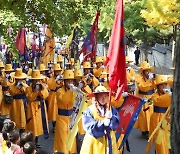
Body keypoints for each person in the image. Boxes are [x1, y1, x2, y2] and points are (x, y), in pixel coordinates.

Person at [80, 85, 120, 154]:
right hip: (94, 142)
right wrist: (103, 123)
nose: (103, 99)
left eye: (105, 96)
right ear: (96, 97)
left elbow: (116, 123)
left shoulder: (111, 109)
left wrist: (112, 119)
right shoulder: (89, 110)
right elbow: (89, 127)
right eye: (101, 96)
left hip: (108, 141)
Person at [146, 75, 171, 154]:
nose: (164, 87)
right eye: (161, 85)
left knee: (168, 142)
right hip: (157, 121)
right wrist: (168, 95)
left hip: (167, 120)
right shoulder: (154, 95)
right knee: (159, 142)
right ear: (157, 86)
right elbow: (151, 102)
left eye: (165, 84)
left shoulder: (169, 95)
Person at [53, 70, 77, 153]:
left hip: (71, 118)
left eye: (71, 80)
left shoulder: (74, 91)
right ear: (64, 81)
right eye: (68, 80)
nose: (70, 82)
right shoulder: (59, 91)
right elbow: (64, 100)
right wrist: (71, 91)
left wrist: (82, 88)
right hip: (62, 119)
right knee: (63, 141)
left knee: (71, 141)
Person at [25, 70, 49, 148]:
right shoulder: (28, 88)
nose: (37, 82)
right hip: (32, 107)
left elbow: (45, 96)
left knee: (39, 125)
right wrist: (35, 91)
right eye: (35, 80)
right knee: (33, 126)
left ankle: (36, 142)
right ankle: (31, 143)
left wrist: (41, 90)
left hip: (40, 106)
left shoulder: (43, 87)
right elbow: (30, 98)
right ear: (32, 80)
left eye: (38, 80)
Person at [135, 61, 156, 137]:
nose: (148, 72)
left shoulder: (151, 78)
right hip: (142, 98)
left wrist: (154, 79)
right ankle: (144, 130)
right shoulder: (138, 78)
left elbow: (155, 86)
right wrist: (149, 80)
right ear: (143, 72)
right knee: (143, 114)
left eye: (149, 70)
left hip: (150, 98)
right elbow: (143, 88)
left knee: (150, 112)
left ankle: (150, 129)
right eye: (146, 71)